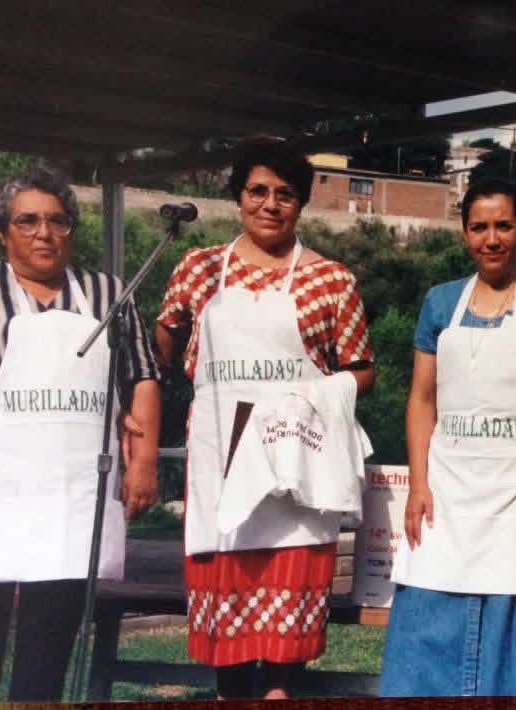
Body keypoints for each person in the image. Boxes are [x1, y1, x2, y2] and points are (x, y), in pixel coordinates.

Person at [155, 139, 375, 700]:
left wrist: (309, 397)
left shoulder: (332, 280)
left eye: (285, 194)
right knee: (229, 656)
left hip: (296, 470)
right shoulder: (199, 269)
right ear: (238, 197)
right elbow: (167, 339)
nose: (270, 205)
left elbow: (361, 369)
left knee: (283, 662)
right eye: (258, 191)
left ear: (300, 203)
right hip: (222, 468)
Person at [0, 166, 162, 701]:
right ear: (3, 233)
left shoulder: (107, 294)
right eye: (27, 221)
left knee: (52, 631)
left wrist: (143, 462)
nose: (44, 233)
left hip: (71, 493)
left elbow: (142, 376)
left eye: (57, 220)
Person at [380, 178, 516, 696]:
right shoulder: (440, 302)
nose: (492, 239)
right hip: (449, 491)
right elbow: (422, 399)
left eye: (504, 226)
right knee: (429, 612)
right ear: (465, 233)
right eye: (479, 227)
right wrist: (418, 484)